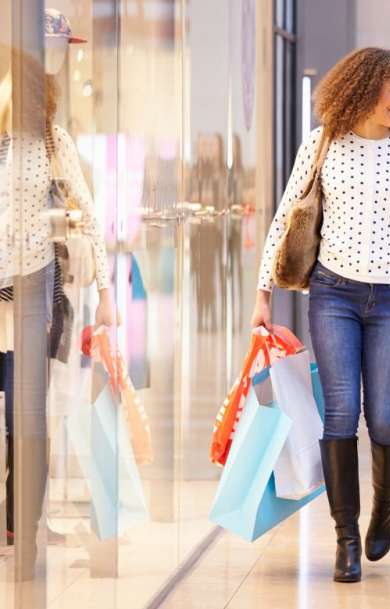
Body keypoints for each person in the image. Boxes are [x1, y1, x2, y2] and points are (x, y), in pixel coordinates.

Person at [252, 47, 390, 583]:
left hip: (389, 299)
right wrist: (263, 290)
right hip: (332, 293)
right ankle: (346, 539)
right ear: (365, 88)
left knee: (384, 418)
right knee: (341, 412)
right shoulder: (322, 143)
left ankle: (383, 512)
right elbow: (285, 215)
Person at [1, 9, 114, 582]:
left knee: (28, 410)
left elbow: (88, 215)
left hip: (30, 285)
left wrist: (106, 291)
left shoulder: (52, 139)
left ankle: (21, 518)